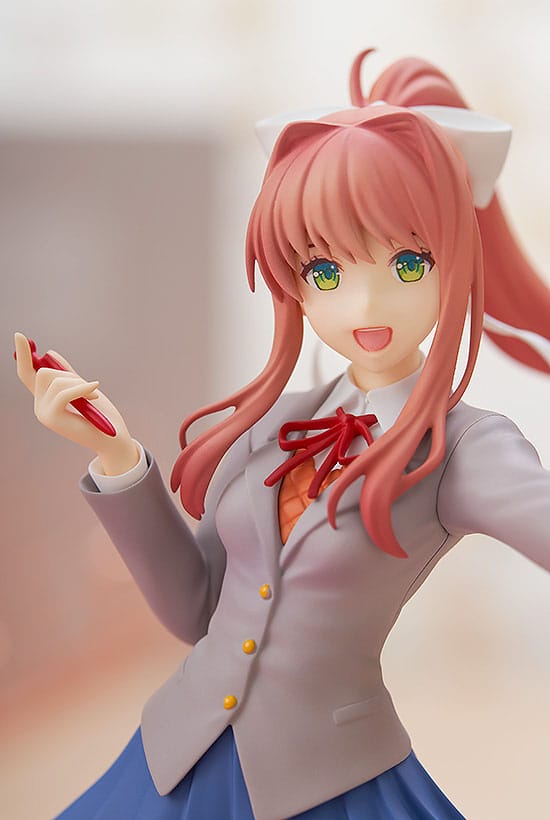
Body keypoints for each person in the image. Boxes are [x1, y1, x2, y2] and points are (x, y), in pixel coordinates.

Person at [14, 49, 550, 820]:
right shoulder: (278, 422)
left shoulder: (463, 447)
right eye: (325, 272)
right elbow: (198, 607)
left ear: (457, 262)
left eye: (408, 262)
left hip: (329, 778)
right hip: (176, 758)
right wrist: (117, 456)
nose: (365, 304)